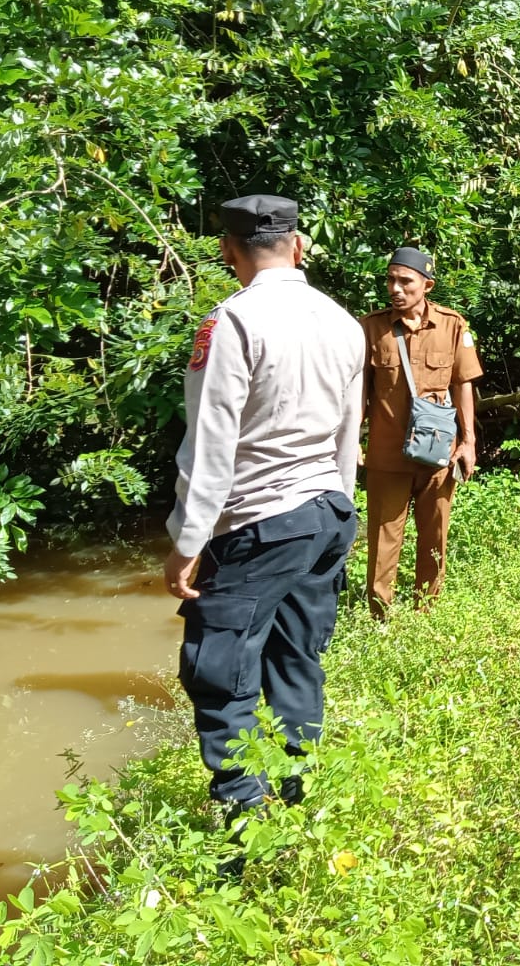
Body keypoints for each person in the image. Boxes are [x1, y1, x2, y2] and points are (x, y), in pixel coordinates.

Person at [164, 194, 364, 817]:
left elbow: (211, 442)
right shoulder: (343, 320)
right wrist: (340, 509)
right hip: (326, 511)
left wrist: (186, 543)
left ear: (229, 252)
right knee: (295, 657)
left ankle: (244, 822)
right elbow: (347, 433)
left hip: (259, 521)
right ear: (298, 246)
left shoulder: (231, 323)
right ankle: (299, 798)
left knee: (221, 673)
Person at [358, 247, 482, 618]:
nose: (395, 288)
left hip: (437, 452)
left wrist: (468, 442)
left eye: (405, 281)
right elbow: (357, 392)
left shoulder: (452, 325)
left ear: (426, 285)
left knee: (435, 535)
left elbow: (463, 384)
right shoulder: (370, 328)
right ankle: (379, 615)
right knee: (383, 537)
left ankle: (425, 611)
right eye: (390, 280)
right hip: (386, 453)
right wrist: (351, 441)